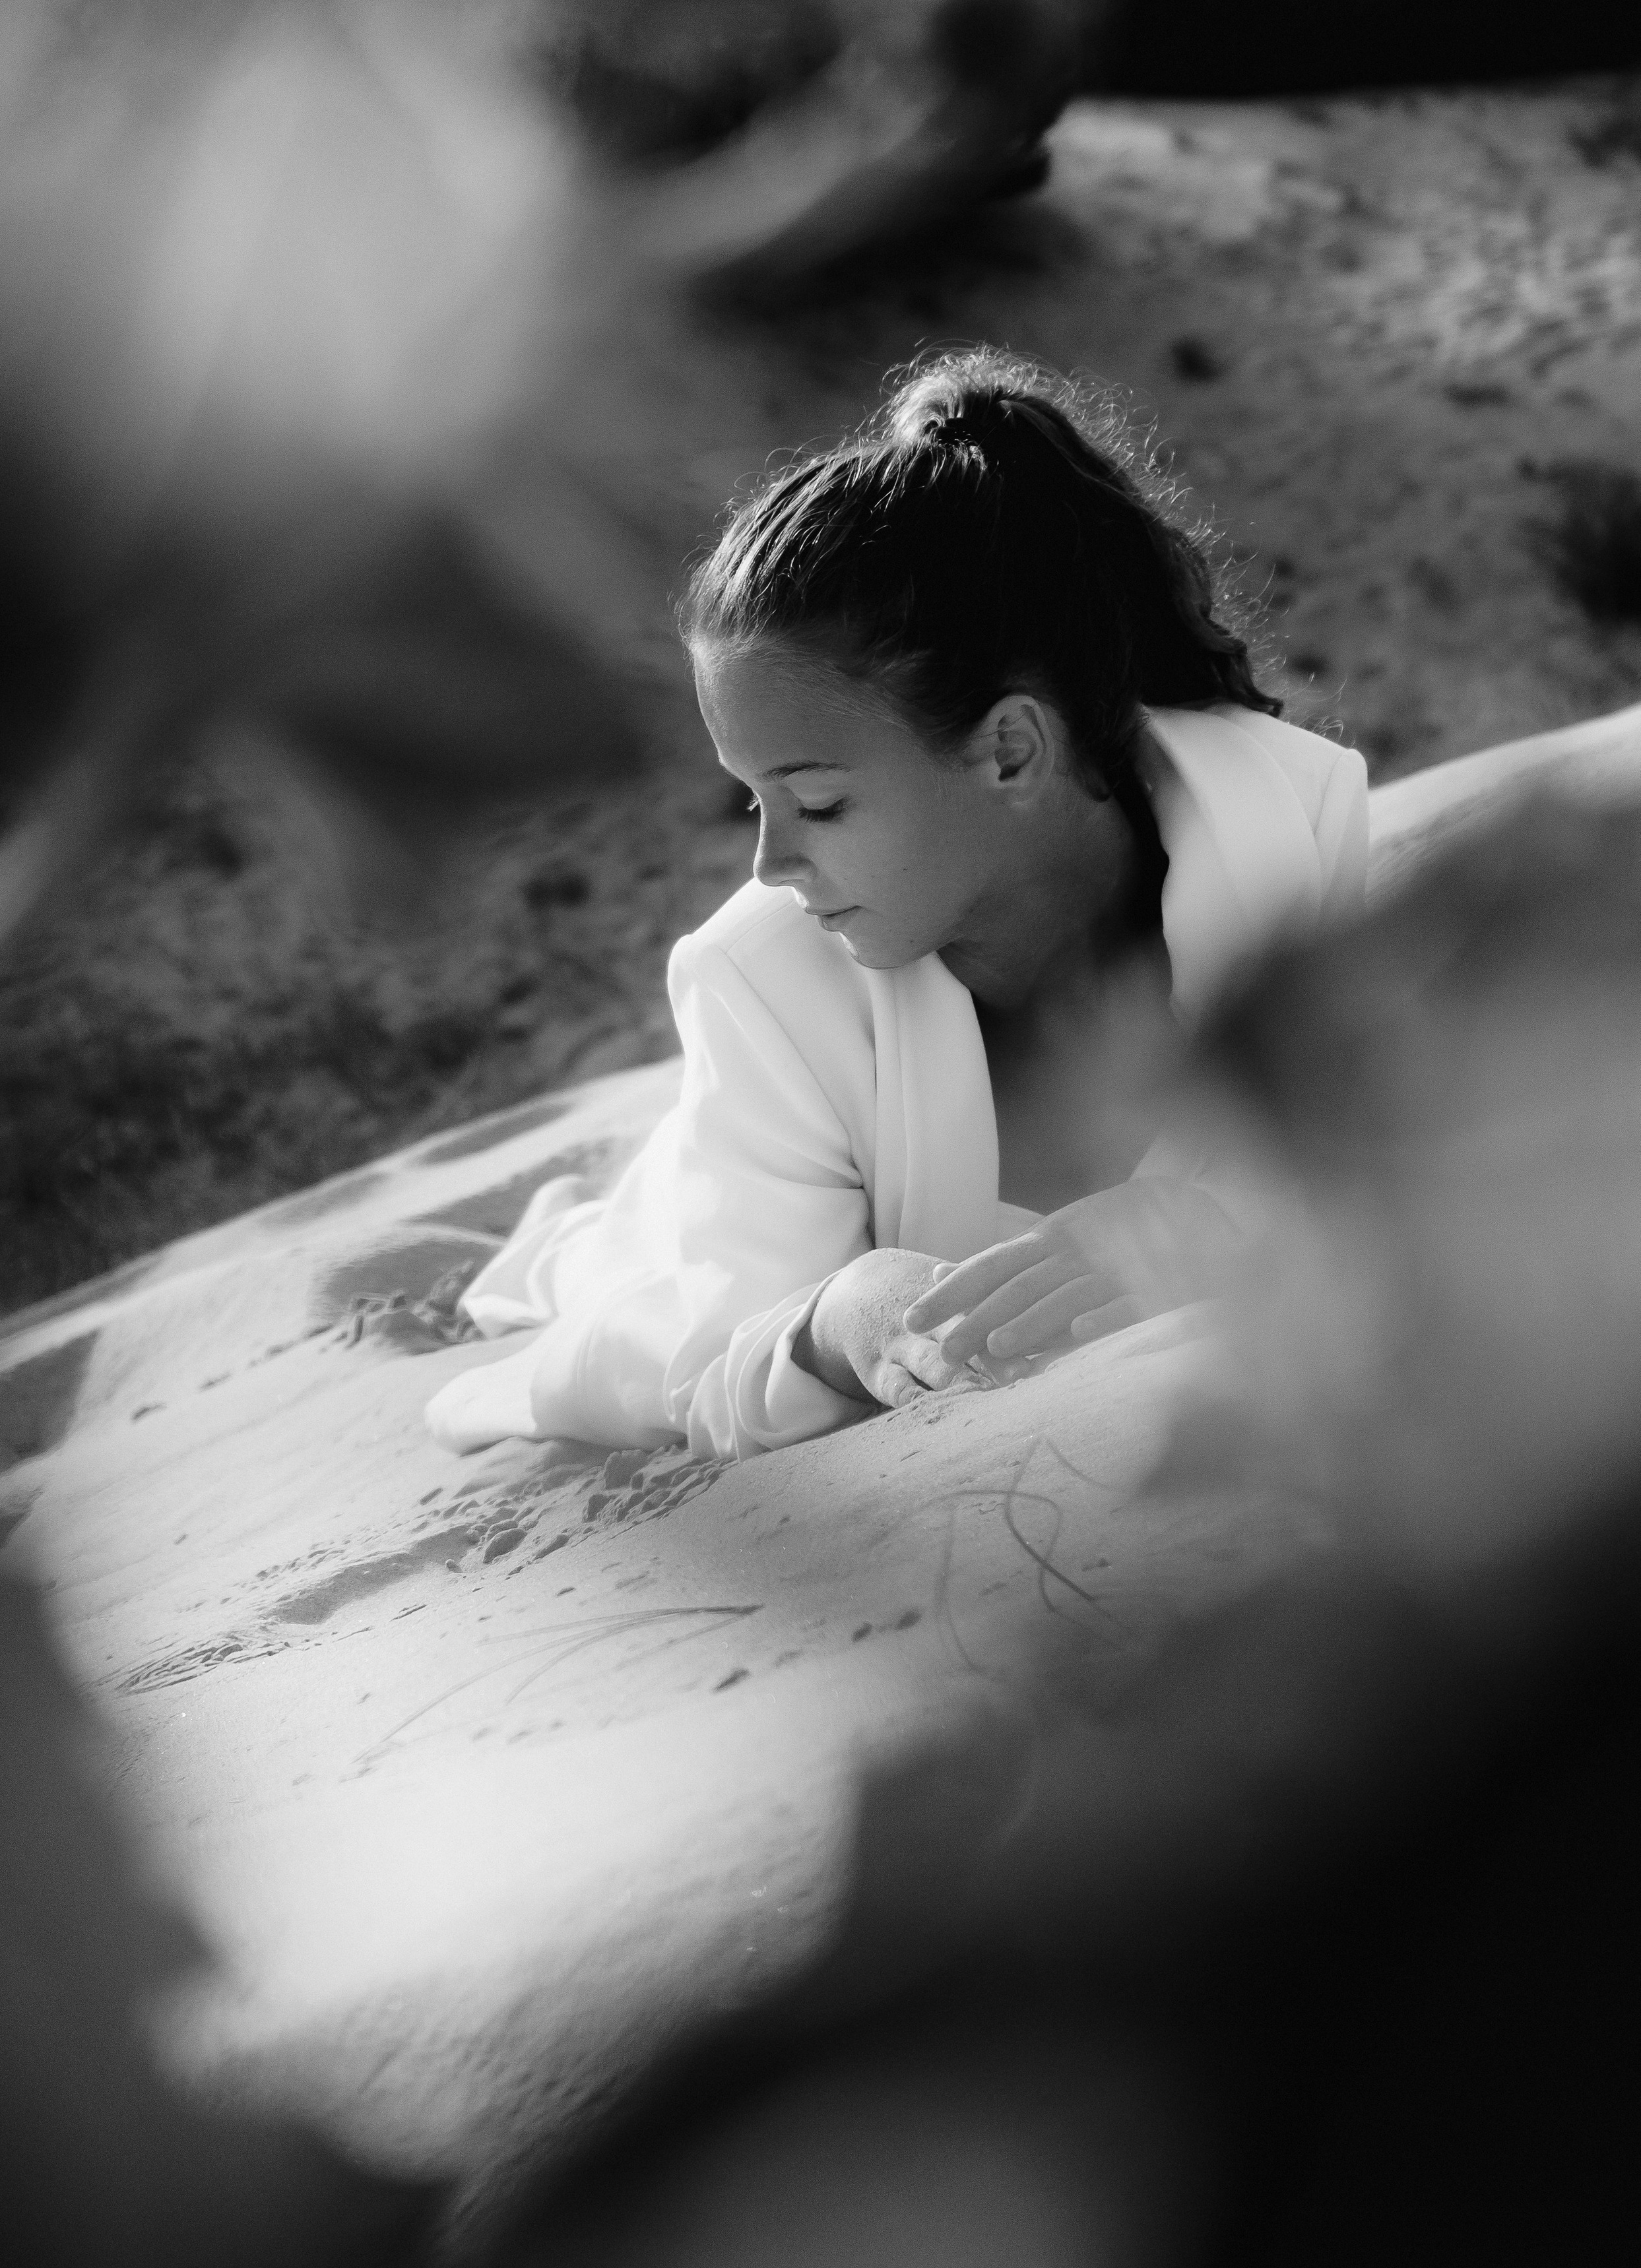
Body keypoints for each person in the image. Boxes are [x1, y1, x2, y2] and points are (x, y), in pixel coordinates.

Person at [426, 350, 1367, 1464]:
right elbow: (707, 1346)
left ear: (1010, 751)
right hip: (712, 1215)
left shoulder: (1281, 813)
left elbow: (1392, 1161)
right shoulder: (761, 980)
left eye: (817, 801)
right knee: (610, 1268)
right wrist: (848, 1313)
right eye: (753, 801)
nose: (772, 860)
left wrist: (1203, 1226)